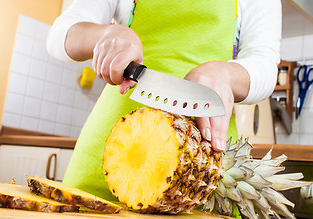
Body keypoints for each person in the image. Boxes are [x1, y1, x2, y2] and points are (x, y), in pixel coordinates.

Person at [47, 0, 281, 201]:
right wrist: (105, 35)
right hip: (110, 151)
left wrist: (226, 74)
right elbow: (60, 34)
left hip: (200, 160)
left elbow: (265, 64)